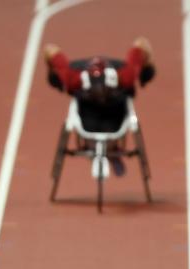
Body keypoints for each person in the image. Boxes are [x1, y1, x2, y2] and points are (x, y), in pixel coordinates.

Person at [44, 37, 155, 175]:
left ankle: (106, 150)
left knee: (92, 116)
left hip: (91, 125)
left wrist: (52, 75)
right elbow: (141, 43)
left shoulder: (72, 78)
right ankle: (111, 150)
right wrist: (148, 69)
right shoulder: (126, 76)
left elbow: (50, 49)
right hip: (112, 124)